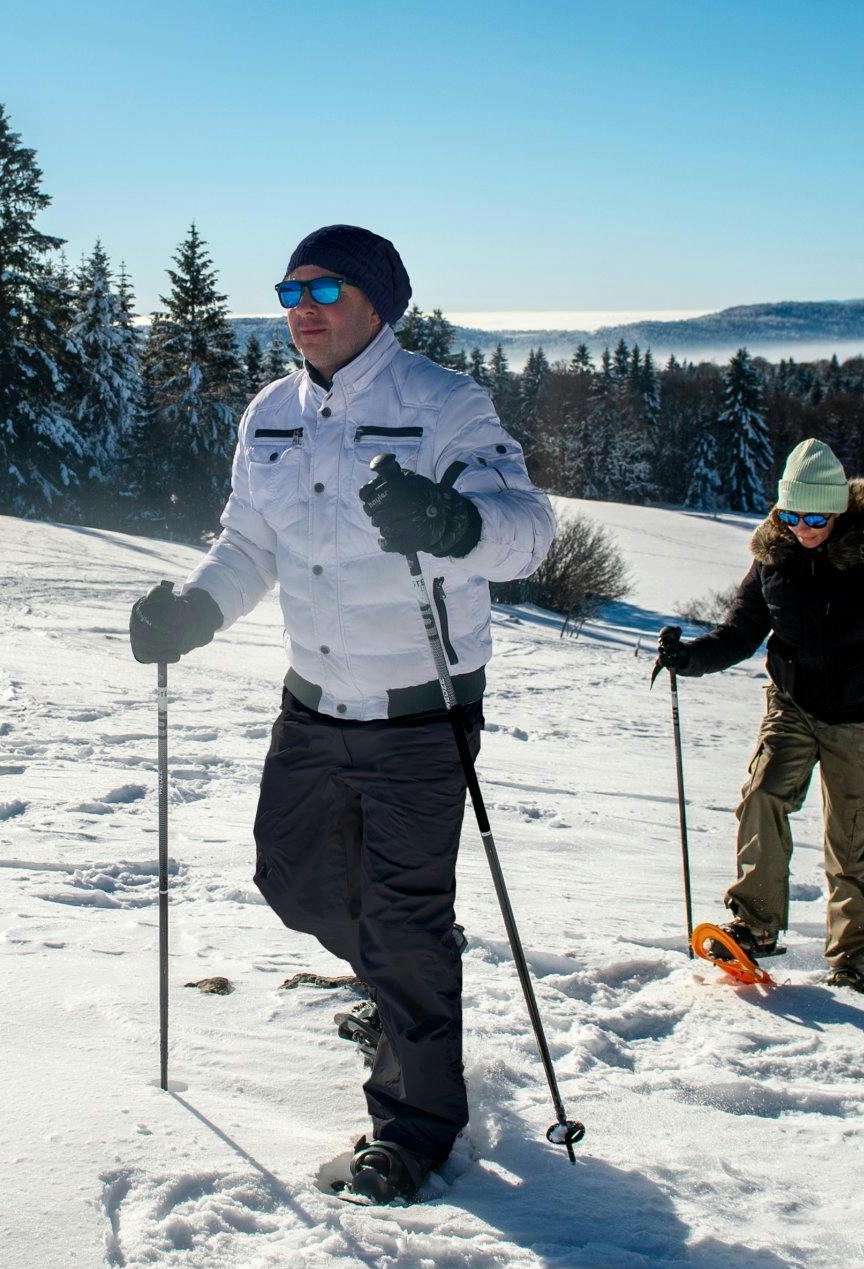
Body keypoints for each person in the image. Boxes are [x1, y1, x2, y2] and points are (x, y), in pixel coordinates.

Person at [127, 225, 552, 1202]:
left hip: (421, 709)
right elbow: (248, 546)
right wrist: (192, 611)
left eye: (325, 286)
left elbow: (528, 531)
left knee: (405, 918)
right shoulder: (270, 415)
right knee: (292, 880)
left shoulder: (447, 406)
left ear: (379, 301)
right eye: (290, 288)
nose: (303, 305)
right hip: (314, 706)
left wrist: (455, 523)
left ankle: (413, 1128)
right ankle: (401, 989)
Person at [651, 438, 864, 994]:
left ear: (837, 509)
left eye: (815, 516)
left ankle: (851, 955)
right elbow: (739, 632)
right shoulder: (772, 559)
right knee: (763, 795)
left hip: (863, 717)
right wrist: (689, 657)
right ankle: (756, 926)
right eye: (791, 514)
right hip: (794, 705)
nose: (803, 527)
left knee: (848, 838)